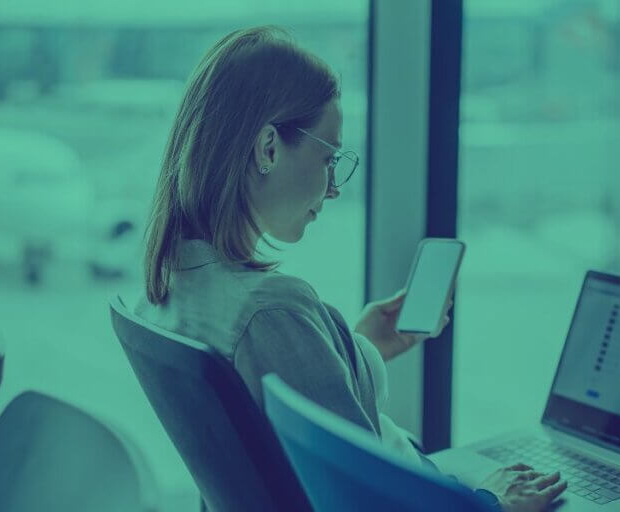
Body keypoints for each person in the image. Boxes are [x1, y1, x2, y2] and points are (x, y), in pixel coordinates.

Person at [135, 25, 566, 512]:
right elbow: (368, 502)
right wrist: (493, 504)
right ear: (268, 148)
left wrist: (354, 346)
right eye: (329, 158)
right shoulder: (272, 313)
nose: (335, 188)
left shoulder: (176, 286)